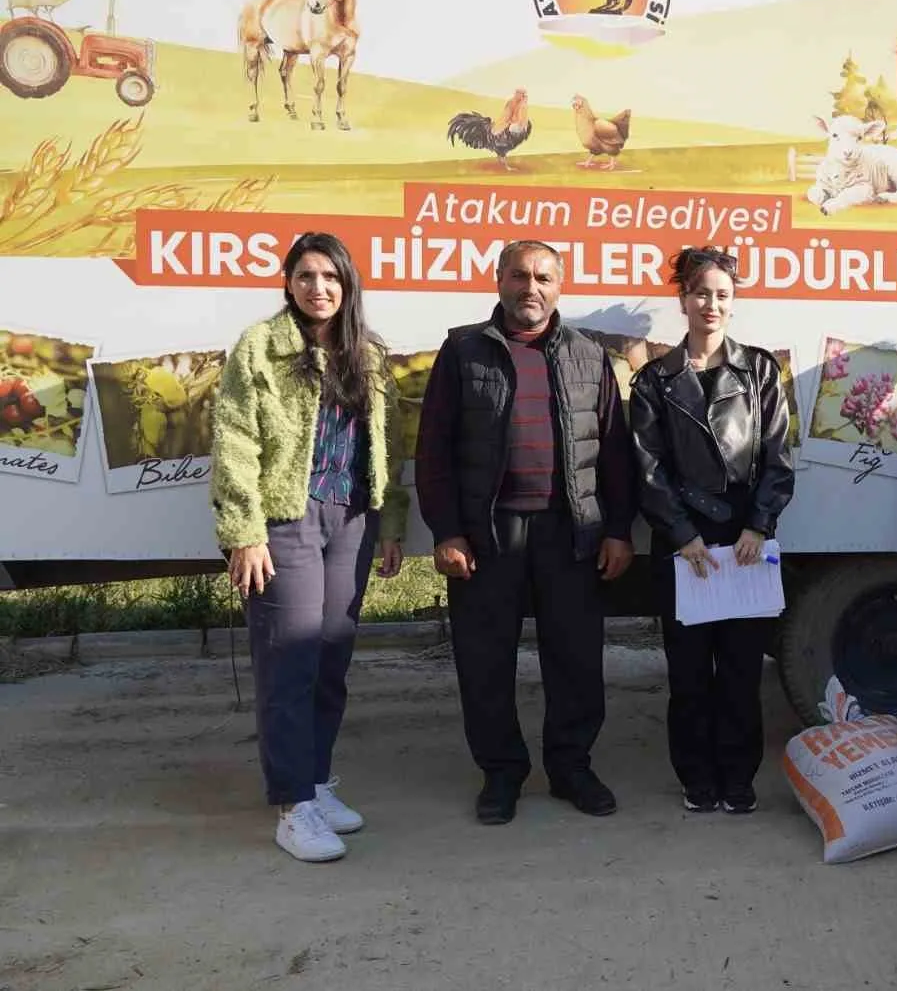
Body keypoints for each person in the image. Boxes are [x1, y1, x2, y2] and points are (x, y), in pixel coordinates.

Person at [414, 239, 637, 825]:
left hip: (571, 534)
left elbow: (614, 451)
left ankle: (571, 768)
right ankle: (501, 774)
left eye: (542, 277)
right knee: (485, 662)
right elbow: (433, 450)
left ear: (559, 287)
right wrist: (447, 531)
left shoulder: (590, 355)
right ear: (498, 282)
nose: (529, 288)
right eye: (518, 276)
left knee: (576, 660)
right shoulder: (463, 351)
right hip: (489, 536)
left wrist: (617, 529)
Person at [210, 231, 408, 863]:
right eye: (304, 276)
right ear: (288, 284)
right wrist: (244, 532)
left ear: (347, 285)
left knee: (330, 660)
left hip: (351, 521)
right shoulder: (260, 348)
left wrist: (392, 522)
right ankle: (292, 807)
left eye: (330, 277)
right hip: (284, 522)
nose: (317, 288)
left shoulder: (369, 354)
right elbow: (235, 439)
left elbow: (388, 444)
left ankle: (316, 782)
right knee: (288, 662)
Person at [628, 246, 795, 814]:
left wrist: (759, 524)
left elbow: (778, 456)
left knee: (742, 672)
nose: (712, 304)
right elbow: (647, 468)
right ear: (683, 299)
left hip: (747, 542)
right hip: (686, 546)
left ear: (733, 300)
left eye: (722, 293)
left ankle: (739, 778)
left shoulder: (761, 369)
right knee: (690, 672)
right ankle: (696, 777)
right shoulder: (654, 380)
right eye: (701, 292)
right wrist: (682, 534)